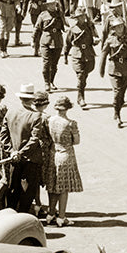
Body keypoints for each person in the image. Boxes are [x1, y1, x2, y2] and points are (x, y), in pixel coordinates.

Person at [7, 85, 50, 215]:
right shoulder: (36, 116)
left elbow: (4, 134)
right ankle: (23, 215)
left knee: (13, 188)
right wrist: (21, 153)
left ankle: (11, 213)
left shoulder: (10, 112)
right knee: (28, 190)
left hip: (14, 158)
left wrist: (12, 151)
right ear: (32, 100)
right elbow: (34, 139)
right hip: (31, 159)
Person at [45, 95, 83, 226]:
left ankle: (50, 214)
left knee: (52, 185)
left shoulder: (49, 120)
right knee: (63, 188)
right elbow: (76, 141)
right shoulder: (71, 123)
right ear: (67, 108)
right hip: (65, 154)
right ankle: (61, 216)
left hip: (53, 153)